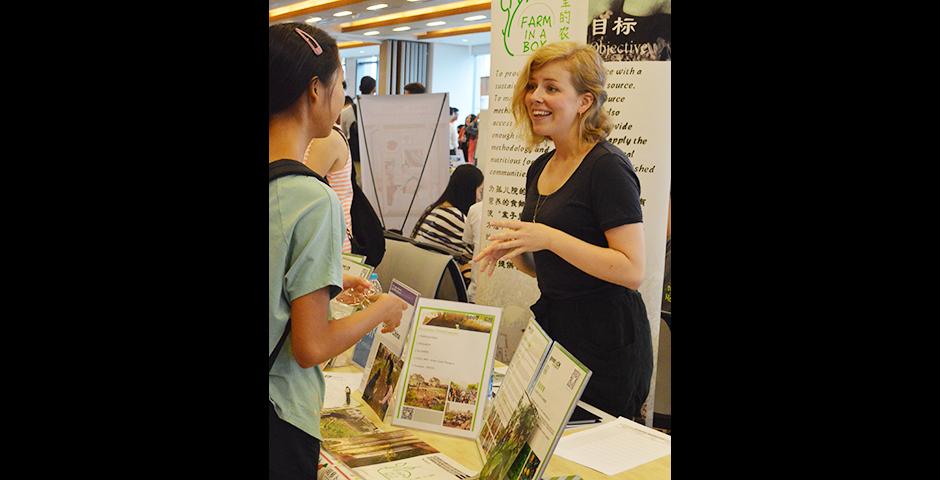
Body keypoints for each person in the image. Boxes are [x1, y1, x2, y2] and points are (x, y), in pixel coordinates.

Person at [473, 41, 653, 420]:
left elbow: (631, 270)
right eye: (533, 85)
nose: (535, 97)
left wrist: (548, 237)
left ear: (584, 102)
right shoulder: (540, 168)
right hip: (556, 333)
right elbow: (551, 267)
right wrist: (518, 250)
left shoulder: (607, 168)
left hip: (606, 343)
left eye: (551, 88)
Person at [269, 23, 407, 480]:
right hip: (280, 416)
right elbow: (312, 347)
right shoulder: (311, 198)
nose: (343, 96)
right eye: (341, 83)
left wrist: (323, 285)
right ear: (315, 89)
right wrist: (383, 307)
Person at [411, 164, 484, 285]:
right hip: (434, 281)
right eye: (480, 191)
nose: (479, 197)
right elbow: (475, 254)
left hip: (420, 275)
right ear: (468, 190)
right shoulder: (456, 217)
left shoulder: (435, 208)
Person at [304, 124, 355, 254]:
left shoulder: (327, 138)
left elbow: (297, 196)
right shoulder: (296, 135)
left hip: (328, 249)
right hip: (309, 246)